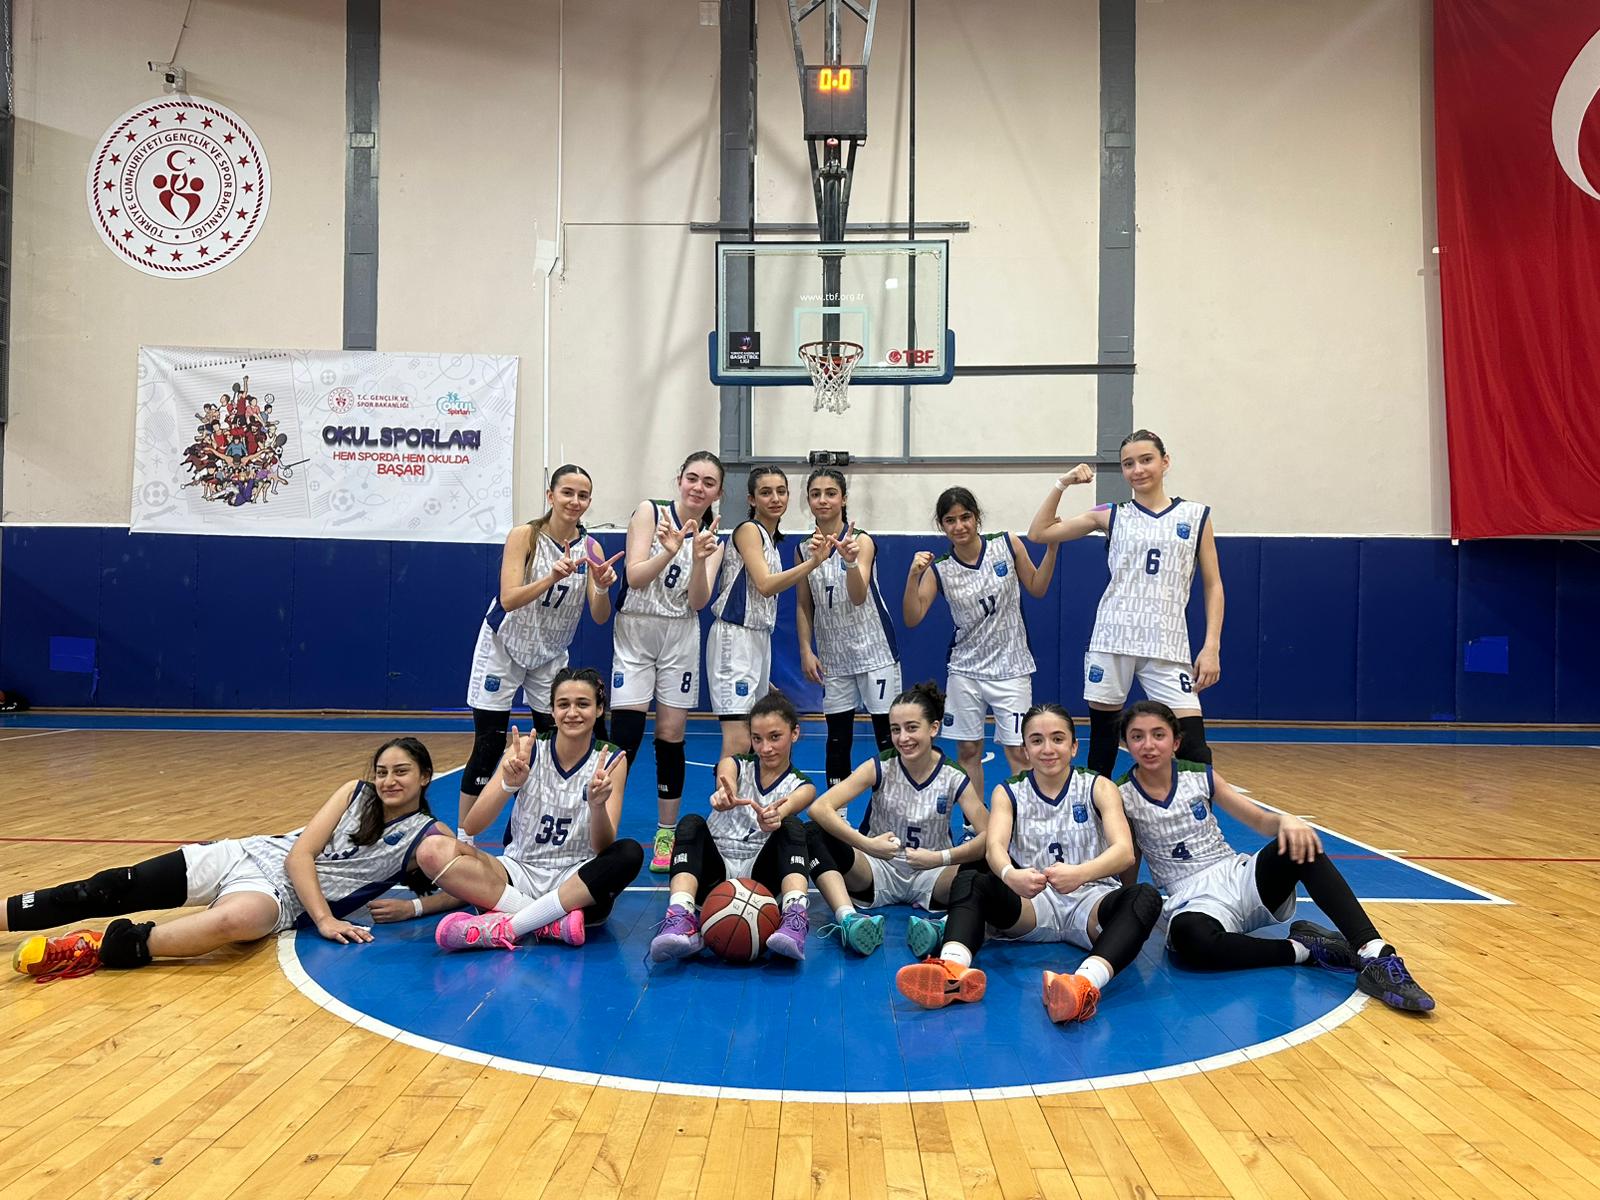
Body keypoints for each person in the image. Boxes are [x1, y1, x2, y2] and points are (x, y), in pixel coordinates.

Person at [9, 738, 451, 980]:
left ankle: (97, 947)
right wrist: (326, 919)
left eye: (401, 772)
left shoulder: (429, 836)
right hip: (248, 854)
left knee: (234, 922)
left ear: (425, 777)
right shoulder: (354, 793)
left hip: (279, 897)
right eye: (382, 771)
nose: (388, 781)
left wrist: (414, 907)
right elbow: (300, 854)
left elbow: (469, 889)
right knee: (109, 886)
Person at [1117, 700, 1435, 1012]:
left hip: (1238, 877)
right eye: (1137, 736)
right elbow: (1129, 856)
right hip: (1191, 900)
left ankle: (1375, 953)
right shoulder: (1122, 795)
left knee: (1300, 846)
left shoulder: (1201, 776)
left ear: (1176, 741)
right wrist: (1126, 908)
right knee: (1190, 940)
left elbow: (1259, 820)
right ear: (1126, 744)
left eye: (1158, 734)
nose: (1149, 745)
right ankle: (1303, 950)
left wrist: (1286, 822)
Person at [895, 705, 1162, 1022]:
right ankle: (952, 970)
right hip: (1034, 902)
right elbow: (994, 847)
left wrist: (1080, 873)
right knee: (970, 880)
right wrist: (1010, 875)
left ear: (1074, 746)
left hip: (1091, 900)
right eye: (1037, 740)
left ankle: (1083, 985)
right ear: (1025, 749)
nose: (1047, 749)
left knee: (1145, 897)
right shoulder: (1008, 791)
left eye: (1058, 739)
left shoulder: (1099, 786)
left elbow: (1124, 852)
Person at [1028, 430, 1224, 779]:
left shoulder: (1196, 516)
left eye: (1146, 460)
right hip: (1113, 638)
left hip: (1167, 643)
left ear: (1165, 462)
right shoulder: (1109, 514)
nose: (1137, 470)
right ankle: (1100, 813)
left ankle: (1196, 813)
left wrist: (1211, 647)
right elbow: (1039, 533)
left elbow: (1213, 584)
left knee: (1194, 747)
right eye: (1128, 464)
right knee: (1103, 746)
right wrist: (1064, 483)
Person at [425, 669, 645, 950]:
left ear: (599, 709)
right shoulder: (527, 750)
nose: (572, 712)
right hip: (518, 872)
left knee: (629, 853)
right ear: (552, 710)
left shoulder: (612, 759)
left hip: (576, 879)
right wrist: (507, 785)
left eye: (583, 704)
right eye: (563, 704)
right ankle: (549, 921)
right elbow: (472, 825)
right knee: (431, 850)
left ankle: (513, 924)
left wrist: (597, 805)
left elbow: (603, 847)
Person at [460, 464, 623, 836]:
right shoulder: (526, 536)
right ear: (550, 495)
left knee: (551, 747)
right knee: (488, 746)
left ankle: (524, 830)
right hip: (504, 644)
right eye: (567, 492)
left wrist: (601, 587)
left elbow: (600, 616)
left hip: (549, 653)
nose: (575, 501)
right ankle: (463, 837)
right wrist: (551, 576)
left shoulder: (592, 548)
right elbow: (508, 598)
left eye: (583, 495)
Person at [804, 682, 990, 959]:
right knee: (812, 832)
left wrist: (940, 858)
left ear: (934, 728)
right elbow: (820, 808)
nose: (903, 738)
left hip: (933, 875)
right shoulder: (880, 765)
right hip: (876, 869)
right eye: (895, 729)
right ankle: (848, 920)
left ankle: (944, 926)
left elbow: (991, 836)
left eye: (912, 728)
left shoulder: (953, 776)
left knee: (994, 858)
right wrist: (867, 845)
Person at [609, 451, 727, 873]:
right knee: (624, 736)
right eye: (692, 478)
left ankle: (666, 833)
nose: (698, 487)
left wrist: (698, 559)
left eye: (708, 482)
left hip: (680, 632)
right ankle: (601, 827)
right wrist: (670, 551)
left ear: (718, 492)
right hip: (637, 628)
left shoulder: (714, 538)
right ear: (679, 479)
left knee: (671, 734)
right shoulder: (651, 512)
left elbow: (698, 601)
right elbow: (635, 577)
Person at [904, 486, 1058, 806]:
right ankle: (976, 824)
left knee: (1019, 751)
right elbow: (912, 617)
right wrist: (912, 576)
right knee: (968, 750)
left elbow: (1038, 587)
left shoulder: (1007, 544)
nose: (959, 526)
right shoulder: (940, 569)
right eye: (950, 520)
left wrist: (1053, 547)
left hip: (1012, 667)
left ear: (977, 518)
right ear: (941, 525)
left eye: (965, 517)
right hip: (965, 671)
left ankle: (1022, 819)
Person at [649, 690, 815, 962]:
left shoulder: (803, 785)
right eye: (757, 738)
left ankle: (794, 917)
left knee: (793, 826)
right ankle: (681, 916)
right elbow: (725, 778)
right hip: (715, 873)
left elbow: (790, 805)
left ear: (794, 733)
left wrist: (774, 816)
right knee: (691, 823)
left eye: (775, 737)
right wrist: (724, 795)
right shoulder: (735, 763)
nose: (765, 748)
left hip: (762, 877)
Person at [706, 465, 830, 760]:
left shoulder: (772, 542)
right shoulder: (749, 531)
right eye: (765, 492)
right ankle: (725, 792)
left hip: (757, 640)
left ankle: (745, 792)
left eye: (781, 491)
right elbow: (764, 584)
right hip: (735, 636)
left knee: (754, 740)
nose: (775, 498)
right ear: (752, 499)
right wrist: (813, 562)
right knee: (738, 740)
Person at [795, 467, 901, 786]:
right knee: (838, 741)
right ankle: (836, 813)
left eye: (831, 493)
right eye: (815, 494)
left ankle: (892, 806)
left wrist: (851, 562)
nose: (823, 500)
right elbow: (804, 604)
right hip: (834, 658)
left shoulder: (861, 541)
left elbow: (858, 596)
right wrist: (805, 650)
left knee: (887, 738)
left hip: (874, 651)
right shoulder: (803, 549)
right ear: (808, 501)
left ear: (843, 499)